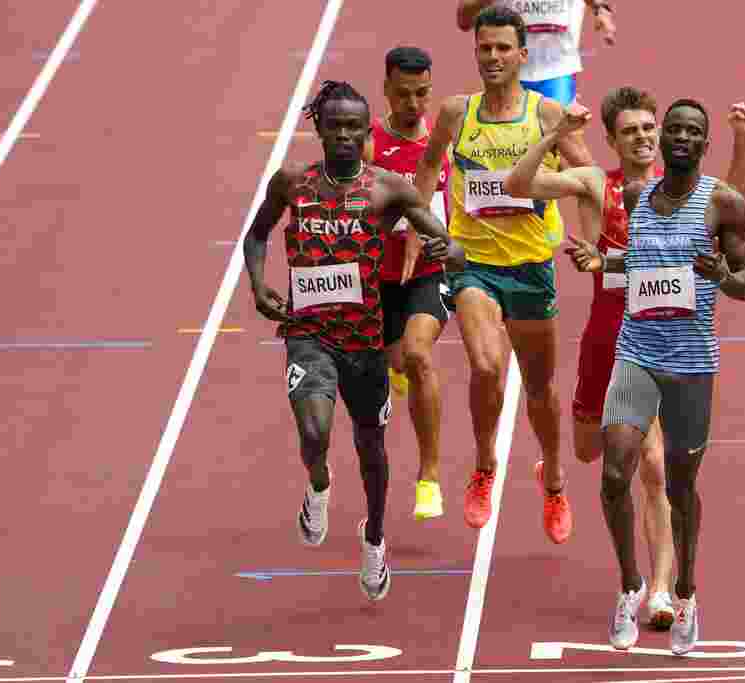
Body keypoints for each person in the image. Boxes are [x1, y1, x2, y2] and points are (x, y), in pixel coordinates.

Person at [504, 89, 745, 630]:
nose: (643, 137)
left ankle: (661, 591)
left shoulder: (700, 195)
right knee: (592, 453)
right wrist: (554, 135)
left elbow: (734, 207)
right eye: (632, 131)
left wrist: (742, 139)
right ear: (614, 140)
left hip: (658, 344)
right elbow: (519, 186)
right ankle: (554, 470)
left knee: (656, 467)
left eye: (649, 127)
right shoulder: (600, 183)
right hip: (606, 331)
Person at [243, 80, 465, 602]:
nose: (343, 135)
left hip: (366, 341)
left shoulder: (390, 189)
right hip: (309, 333)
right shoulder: (291, 183)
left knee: (372, 450)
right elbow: (256, 234)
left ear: (367, 131)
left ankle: (375, 537)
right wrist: (258, 285)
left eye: (353, 127)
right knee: (315, 432)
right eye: (334, 125)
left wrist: (446, 247)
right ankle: (318, 484)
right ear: (318, 128)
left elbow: (450, 248)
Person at [414, 5, 594, 543]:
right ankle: (485, 465)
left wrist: (588, 240)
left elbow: (587, 177)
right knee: (486, 367)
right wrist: (424, 228)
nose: (491, 57)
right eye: (483, 47)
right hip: (474, 266)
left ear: (521, 54)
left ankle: (554, 475)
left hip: (532, 268)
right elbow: (428, 166)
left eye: (501, 49)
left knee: (539, 388)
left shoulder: (546, 116)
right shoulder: (455, 112)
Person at [363, 46, 454, 521]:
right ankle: (393, 365)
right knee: (388, 361)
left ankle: (430, 476)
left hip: (428, 274)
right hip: (377, 279)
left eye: (422, 94)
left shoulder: (443, 145)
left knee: (419, 355)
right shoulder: (369, 143)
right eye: (403, 94)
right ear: (386, 90)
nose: (414, 104)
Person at [457, 0, 617, 107]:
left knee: (559, 142)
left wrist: (601, 10)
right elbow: (463, 19)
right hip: (508, 75)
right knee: (512, 146)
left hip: (557, 72)